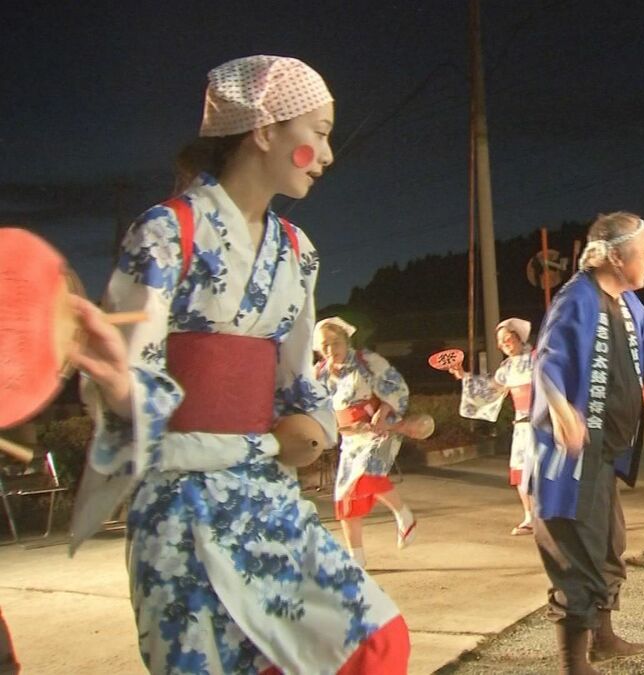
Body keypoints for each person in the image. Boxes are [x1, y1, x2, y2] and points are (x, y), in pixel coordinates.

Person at [66, 56, 409, 673]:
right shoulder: (167, 231)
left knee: (372, 642)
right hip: (180, 498)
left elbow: (298, 374)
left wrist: (308, 422)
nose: (328, 154)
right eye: (321, 131)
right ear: (265, 130)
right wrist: (117, 382)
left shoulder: (298, 252)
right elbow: (131, 368)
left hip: (263, 484)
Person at [530, 212, 644, 674]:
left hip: (602, 454)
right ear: (617, 256)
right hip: (572, 456)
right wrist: (560, 409)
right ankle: (573, 666)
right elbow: (547, 361)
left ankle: (602, 639)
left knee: (606, 545)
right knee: (576, 553)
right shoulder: (576, 299)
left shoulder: (625, 302)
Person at [315, 316, 417, 567]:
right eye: (324, 345)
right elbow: (318, 411)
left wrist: (383, 412)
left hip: (380, 431)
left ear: (346, 340)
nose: (330, 349)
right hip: (351, 437)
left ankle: (404, 515)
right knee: (346, 499)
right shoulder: (319, 373)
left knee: (367, 475)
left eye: (335, 343)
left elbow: (397, 387)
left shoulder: (366, 360)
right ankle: (356, 560)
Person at [451, 317, 537, 535]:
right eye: (500, 342)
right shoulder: (507, 368)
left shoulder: (539, 359)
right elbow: (489, 388)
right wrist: (464, 375)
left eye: (506, 339)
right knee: (520, 471)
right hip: (522, 426)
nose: (502, 345)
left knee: (546, 471)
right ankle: (530, 517)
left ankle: (554, 517)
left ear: (518, 337)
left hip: (544, 425)